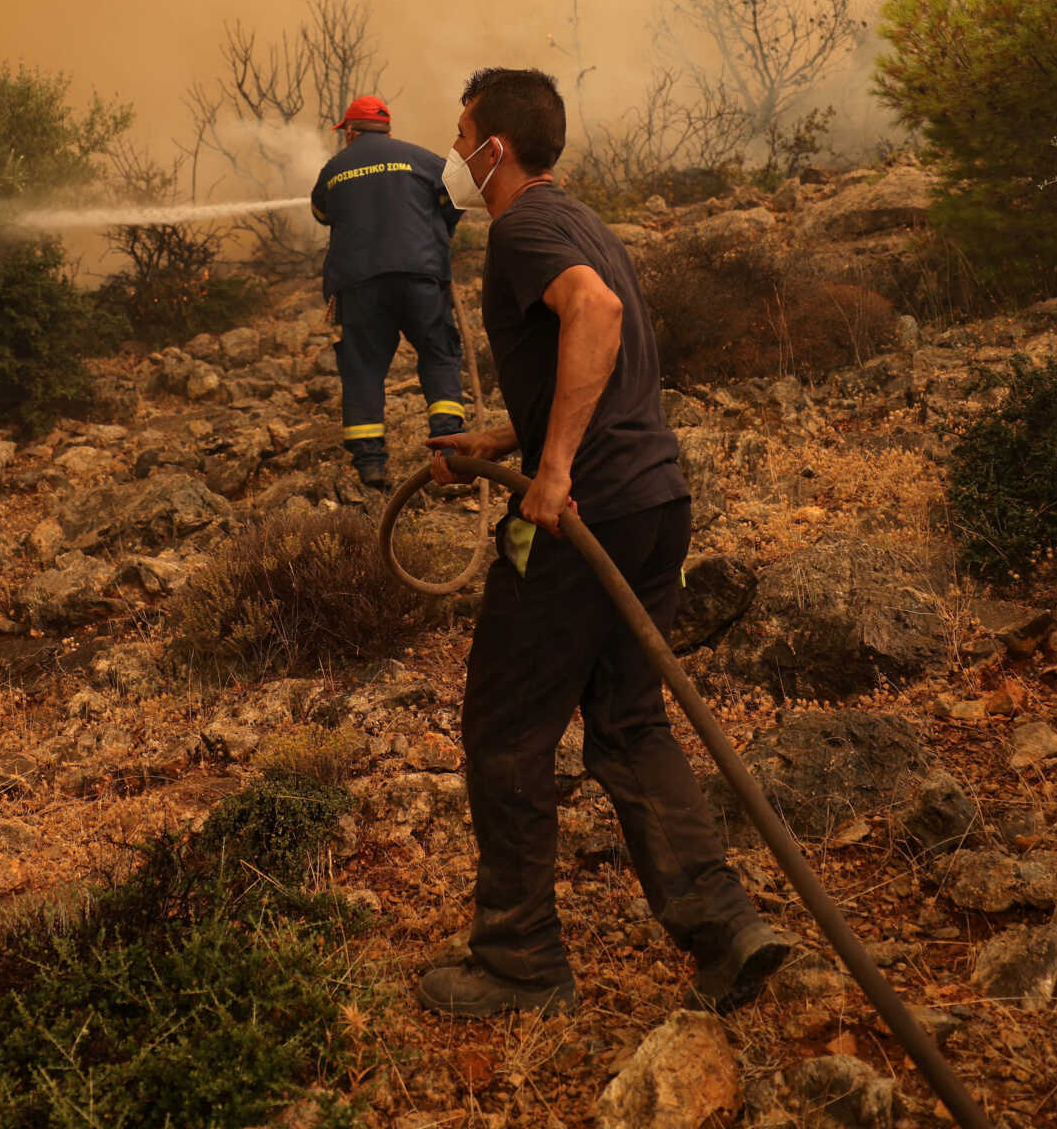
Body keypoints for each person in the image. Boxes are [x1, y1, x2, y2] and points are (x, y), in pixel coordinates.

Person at [419, 66, 793, 1018]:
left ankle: (520, 964)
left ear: (495, 146)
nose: (458, 153)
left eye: (465, 136)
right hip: (654, 499)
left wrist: (552, 475)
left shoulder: (526, 227)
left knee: (505, 730)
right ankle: (724, 931)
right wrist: (505, 441)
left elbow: (598, 317)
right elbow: (599, 361)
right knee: (627, 721)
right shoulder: (583, 219)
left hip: (589, 511)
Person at [309, 93, 467, 495]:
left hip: (360, 285)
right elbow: (458, 195)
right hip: (420, 277)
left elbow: (321, 212)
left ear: (349, 133)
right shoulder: (419, 158)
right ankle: (450, 449)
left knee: (363, 368)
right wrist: (439, 229)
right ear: (388, 128)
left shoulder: (335, 169)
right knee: (438, 354)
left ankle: (371, 468)